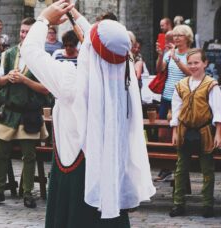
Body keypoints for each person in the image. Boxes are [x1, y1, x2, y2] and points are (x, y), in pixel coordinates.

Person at [21, 1, 155, 226]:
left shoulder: (71, 81)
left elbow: (30, 51)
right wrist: (74, 13)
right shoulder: (125, 76)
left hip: (75, 177)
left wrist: (44, 18)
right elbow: (104, 47)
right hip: (109, 175)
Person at [0, 17, 49, 208]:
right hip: (9, 111)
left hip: (29, 113)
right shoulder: (9, 54)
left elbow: (46, 89)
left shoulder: (42, 57)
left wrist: (24, 80)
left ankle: (28, 193)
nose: (24, 35)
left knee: (29, 155)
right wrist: (7, 77)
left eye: (28, 32)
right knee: (0, 152)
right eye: (22, 31)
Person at [169, 48, 221, 218]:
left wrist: (218, 133)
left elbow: (218, 111)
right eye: (190, 63)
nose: (193, 66)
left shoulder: (211, 85)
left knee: (207, 170)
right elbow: (176, 110)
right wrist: (175, 131)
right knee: (180, 169)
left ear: (205, 63)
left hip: (205, 131)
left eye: (196, 62)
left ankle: (207, 205)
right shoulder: (181, 85)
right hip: (184, 131)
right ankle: (178, 204)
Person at [154, 25, 193, 182]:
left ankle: (180, 167)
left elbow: (191, 73)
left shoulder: (192, 54)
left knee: (180, 134)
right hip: (167, 96)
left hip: (183, 98)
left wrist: (177, 60)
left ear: (187, 38)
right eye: (175, 35)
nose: (176, 38)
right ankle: (166, 168)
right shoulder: (170, 53)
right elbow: (159, 69)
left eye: (180, 35)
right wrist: (160, 55)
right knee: (162, 133)